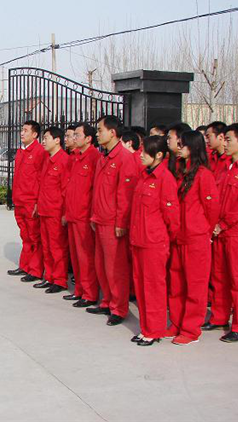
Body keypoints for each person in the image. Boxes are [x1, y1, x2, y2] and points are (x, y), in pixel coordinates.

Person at [206, 123, 238, 343]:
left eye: (229, 139)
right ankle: (219, 317)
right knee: (220, 277)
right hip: (221, 231)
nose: (225, 143)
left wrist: (223, 224)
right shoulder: (227, 169)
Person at [167, 131, 219, 345]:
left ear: (194, 147)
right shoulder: (181, 172)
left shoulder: (204, 175)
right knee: (177, 284)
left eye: (183, 144)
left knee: (195, 286)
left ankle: (191, 329)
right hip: (179, 236)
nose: (179, 148)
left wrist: (204, 231)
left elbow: (212, 208)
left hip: (196, 237)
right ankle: (176, 323)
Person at [130, 135, 180, 346]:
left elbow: (172, 216)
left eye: (145, 152)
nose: (141, 155)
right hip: (139, 239)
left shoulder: (164, 179)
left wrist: (164, 238)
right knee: (141, 286)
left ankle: (155, 329)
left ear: (158, 155)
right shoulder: (144, 176)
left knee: (153, 287)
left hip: (154, 242)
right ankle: (146, 328)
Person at [88, 115, 138, 326]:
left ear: (112, 132)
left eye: (100, 130)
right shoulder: (104, 157)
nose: (97, 134)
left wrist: (121, 222)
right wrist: (94, 214)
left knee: (115, 268)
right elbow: (98, 190)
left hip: (113, 222)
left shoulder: (124, 158)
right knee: (101, 265)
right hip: (100, 219)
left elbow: (125, 194)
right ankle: (107, 301)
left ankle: (119, 307)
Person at [63, 123, 101, 307]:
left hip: (84, 216)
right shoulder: (76, 157)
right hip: (73, 214)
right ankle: (79, 290)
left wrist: (93, 215)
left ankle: (89, 293)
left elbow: (95, 190)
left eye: (77, 135)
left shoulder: (94, 158)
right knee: (77, 257)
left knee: (86, 257)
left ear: (88, 139)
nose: (74, 138)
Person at [7, 121, 46, 283]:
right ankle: (25, 265)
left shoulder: (39, 152)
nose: (22, 133)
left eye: (25, 130)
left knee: (34, 236)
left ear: (35, 134)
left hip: (31, 202)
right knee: (25, 235)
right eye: (21, 130)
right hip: (20, 200)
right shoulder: (21, 151)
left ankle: (35, 270)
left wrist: (37, 202)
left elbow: (41, 179)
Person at [35, 127, 70, 294]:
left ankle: (59, 279)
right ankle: (49, 276)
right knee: (47, 246)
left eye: (46, 138)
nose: (43, 141)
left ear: (57, 140)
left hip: (56, 211)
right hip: (45, 209)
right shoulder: (48, 159)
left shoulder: (64, 160)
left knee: (57, 247)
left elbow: (65, 190)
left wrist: (64, 213)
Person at [205, 121, 230, 186]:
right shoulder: (209, 158)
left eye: (208, 137)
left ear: (220, 136)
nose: (207, 141)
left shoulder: (231, 160)